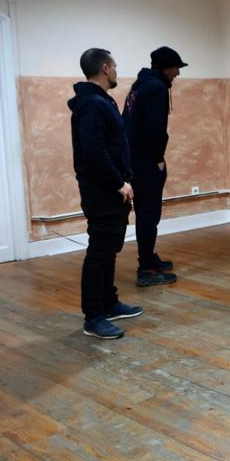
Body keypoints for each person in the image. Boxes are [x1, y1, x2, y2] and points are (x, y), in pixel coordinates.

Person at [69, 48, 143, 340]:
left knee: (110, 248)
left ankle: (109, 303)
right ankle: (93, 317)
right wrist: (118, 183)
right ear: (105, 68)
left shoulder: (100, 101)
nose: (116, 71)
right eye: (114, 66)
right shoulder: (91, 104)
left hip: (112, 189)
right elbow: (93, 152)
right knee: (99, 252)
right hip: (102, 191)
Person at [122, 46, 184, 286]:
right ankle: (146, 269)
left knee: (146, 214)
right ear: (166, 68)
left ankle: (147, 258)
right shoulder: (157, 87)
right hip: (145, 160)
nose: (178, 73)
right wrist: (158, 157)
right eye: (176, 67)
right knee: (149, 214)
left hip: (134, 157)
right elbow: (154, 128)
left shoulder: (141, 84)